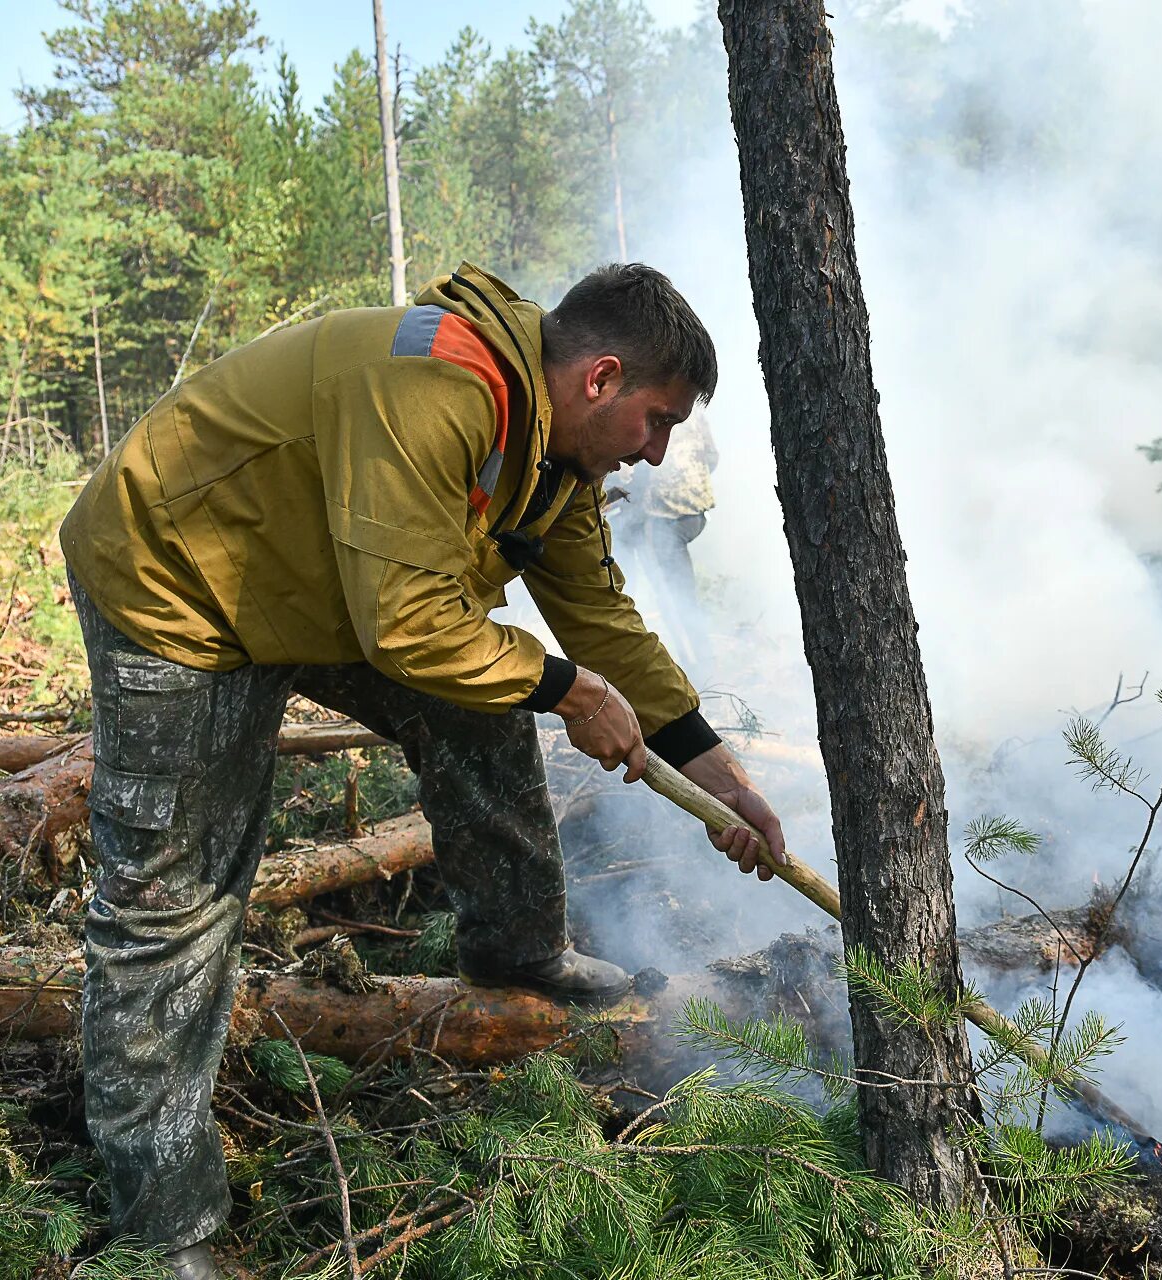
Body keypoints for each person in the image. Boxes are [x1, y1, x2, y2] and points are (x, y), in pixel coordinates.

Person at [58, 262, 789, 1280]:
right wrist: (571, 693)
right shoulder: (437, 390)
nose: (658, 451)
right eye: (658, 419)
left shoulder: (553, 454)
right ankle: (168, 1224)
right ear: (601, 378)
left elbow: (599, 618)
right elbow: (405, 624)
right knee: (169, 902)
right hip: (181, 583)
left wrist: (714, 770)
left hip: (324, 583)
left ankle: (517, 953)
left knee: (489, 698)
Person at [610, 406, 718, 667]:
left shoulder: (642, 409)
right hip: (694, 511)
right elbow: (712, 458)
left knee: (670, 592)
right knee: (675, 587)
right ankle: (699, 659)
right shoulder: (689, 408)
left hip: (660, 513)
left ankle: (700, 668)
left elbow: (631, 475)